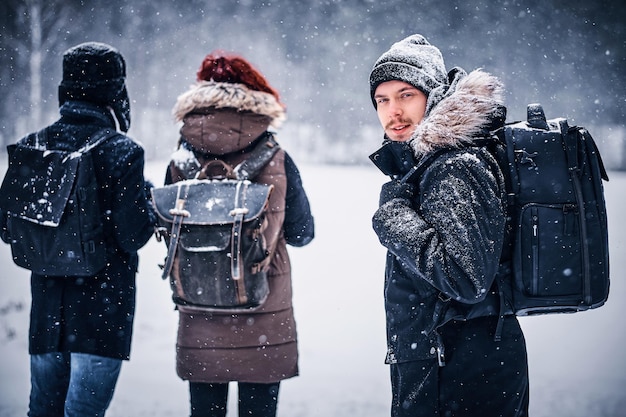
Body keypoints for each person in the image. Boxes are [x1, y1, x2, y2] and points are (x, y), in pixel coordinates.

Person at [368, 34, 529, 416]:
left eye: (406, 95)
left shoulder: (454, 166)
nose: (393, 111)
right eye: (382, 100)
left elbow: (464, 277)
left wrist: (393, 219)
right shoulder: (430, 166)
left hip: (462, 373)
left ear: (433, 96)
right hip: (449, 364)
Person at [0, 42, 156, 416]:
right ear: (115, 92)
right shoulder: (122, 151)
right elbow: (133, 235)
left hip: (46, 318)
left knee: (41, 411)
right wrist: (149, 202)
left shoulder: (34, 146)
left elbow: (8, 228)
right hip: (101, 319)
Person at [165, 52, 315, 417]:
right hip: (263, 310)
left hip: (199, 305)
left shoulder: (181, 160)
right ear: (255, 94)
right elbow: (302, 233)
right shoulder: (276, 156)